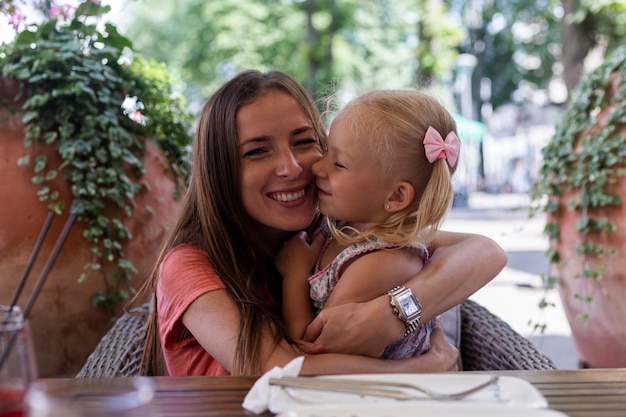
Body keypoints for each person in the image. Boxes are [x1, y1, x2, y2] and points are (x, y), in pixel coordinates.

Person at [137, 69, 507, 377]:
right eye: (257, 151)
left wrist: (392, 314)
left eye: (304, 142)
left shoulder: (334, 232)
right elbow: (275, 367)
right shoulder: (187, 265)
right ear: (220, 171)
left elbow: (486, 252)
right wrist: (422, 368)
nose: (294, 167)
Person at [277, 89, 460, 360]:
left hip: (383, 398)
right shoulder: (342, 227)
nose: (317, 168)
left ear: (396, 196)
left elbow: (312, 345)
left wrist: (294, 274)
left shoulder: (384, 262)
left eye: (338, 164)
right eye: (326, 152)